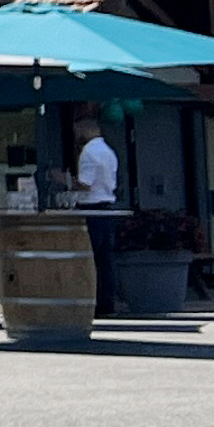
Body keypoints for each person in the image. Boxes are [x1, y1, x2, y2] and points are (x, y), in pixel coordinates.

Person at [70, 108, 124, 313]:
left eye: (77, 130)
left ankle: (91, 299)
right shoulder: (108, 151)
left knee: (89, 257)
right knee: (105, 259)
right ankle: (107, 301)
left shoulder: (89, 152)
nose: (76, 135)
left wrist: (65, 181)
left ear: (85, 129)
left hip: (91, 208)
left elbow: (85, 184)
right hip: (106, 207)